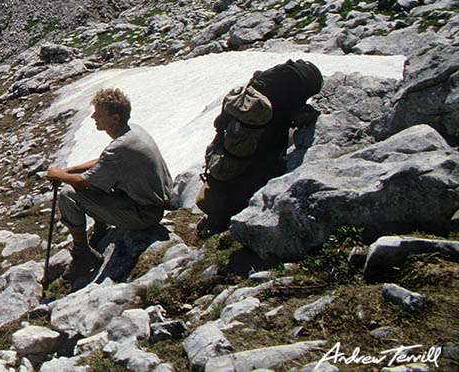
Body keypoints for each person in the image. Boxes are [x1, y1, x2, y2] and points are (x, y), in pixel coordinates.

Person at [46, 87, 174, 279]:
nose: (93, 117)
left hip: (144, 215)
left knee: (67, 194)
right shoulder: (132, 133)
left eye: (99, 113)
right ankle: (101, 228)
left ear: (114, 118)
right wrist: (68, 171)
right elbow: (103, 162)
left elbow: (81, 183)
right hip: (149, 205)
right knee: (100, 177)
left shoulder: (120, 146)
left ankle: (83, 256)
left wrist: (59, 175)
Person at [196, 58, 323, 236]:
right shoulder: (286, 83)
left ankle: (220, 220)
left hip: (248, 137)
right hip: (265, 135)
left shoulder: (268, 80)